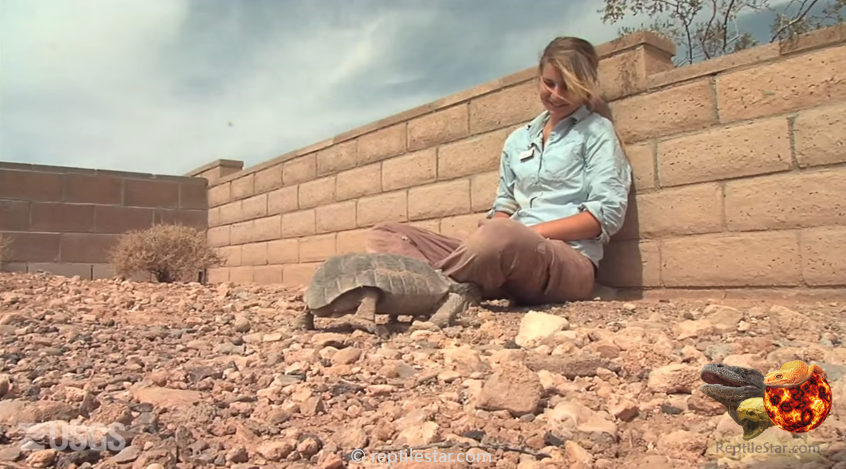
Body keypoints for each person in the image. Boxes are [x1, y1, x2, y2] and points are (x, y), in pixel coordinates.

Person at [365, 36, 632, 321]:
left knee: (497, 237)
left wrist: (526, 233)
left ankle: (428, 285)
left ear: (586, 84)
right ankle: (460, 283)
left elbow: (605, 217)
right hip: (507, 245)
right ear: (539, 78)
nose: (556, 94)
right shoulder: (518, 140)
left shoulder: (597, 132)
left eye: (568, 87)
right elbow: (504, 204)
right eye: (549, 83)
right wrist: (492, 234)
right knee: (385, 234)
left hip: (567, 257)